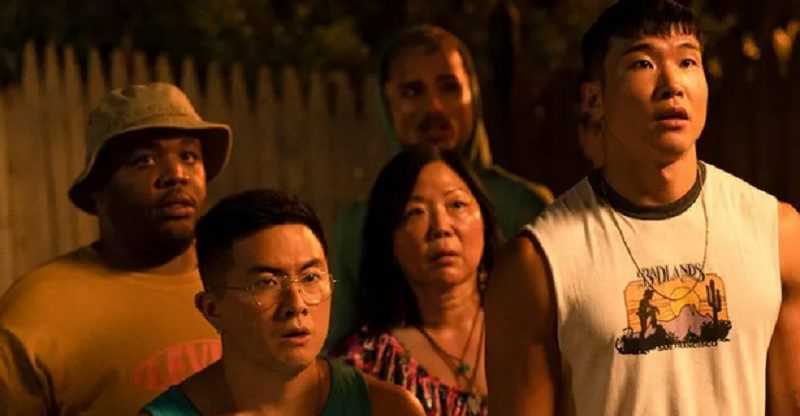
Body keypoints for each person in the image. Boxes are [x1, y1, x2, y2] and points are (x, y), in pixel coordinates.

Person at [485, 1, 800, 415]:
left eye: (687, 61)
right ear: (595, 99)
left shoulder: (777, 234)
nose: (672, 84)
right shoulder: (539, 263)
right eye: (643, 63)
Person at [0, 82, 232, 414]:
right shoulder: (36, 313)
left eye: (189, 156)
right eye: (144, 160)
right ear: (98, 189)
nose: (176, 174)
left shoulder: (244, 285)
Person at [329, 24, 552, 348]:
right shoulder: (358, 224)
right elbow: (337, 350)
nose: (434, 107)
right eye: (412, 92)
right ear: (387, 104)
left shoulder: (525, 207)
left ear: (473, 96)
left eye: (449, 88)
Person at [141, 189, 424, 416]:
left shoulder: (389, 408)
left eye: (311, 277)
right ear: (212, 309)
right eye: (266, 283)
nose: (296, 304)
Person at [334, 146, 499, 416]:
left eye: (456, 205)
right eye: (415, 212)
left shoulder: (532, 330)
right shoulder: (367, 364)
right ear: (388, 239)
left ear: (485, 220)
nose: (441, 227)